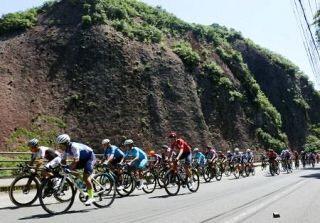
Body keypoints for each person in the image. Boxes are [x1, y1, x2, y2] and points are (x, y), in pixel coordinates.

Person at [56, 134, 96, 206]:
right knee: (71, 170)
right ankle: (82, 183)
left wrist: (68, 168)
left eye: (61, 145)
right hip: (82, 159)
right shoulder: (65, 149)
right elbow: (63, 160)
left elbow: (76, 160)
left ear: (66, 143)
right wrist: (61, 166)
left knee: (86, 178)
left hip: (89, 158)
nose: (59, 147)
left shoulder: (74, 147)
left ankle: (91, 197)